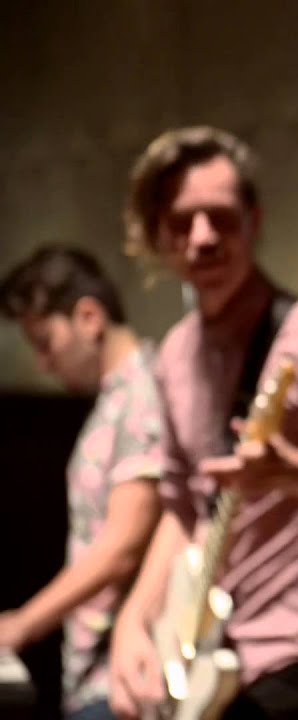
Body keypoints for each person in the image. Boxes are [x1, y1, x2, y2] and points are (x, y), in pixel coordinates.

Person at [106, 126, 298, 720]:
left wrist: (297, 474)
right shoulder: (174, 353)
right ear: (157, 235)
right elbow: (183, 508)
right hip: (201, 655)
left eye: (221, 217)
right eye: (182, 221)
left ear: (253, 221)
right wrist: (133, 622)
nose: (203, 237)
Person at [0, 246, 164, 720]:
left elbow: (122, 547)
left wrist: (22, 624)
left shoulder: (142, 393)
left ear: (89, 317)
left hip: (121, 679)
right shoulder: (116, 399)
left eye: (46, 342)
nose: (43, 363)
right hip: (96, 676)